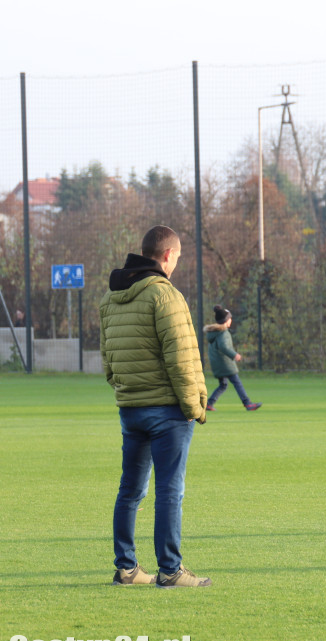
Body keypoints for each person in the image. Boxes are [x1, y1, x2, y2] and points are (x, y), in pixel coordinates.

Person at [99, 224, 212, 587]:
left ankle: (126, 568)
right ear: (167, 255)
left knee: (130, 490)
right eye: (177, 257)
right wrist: (195, 406)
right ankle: (170, 570)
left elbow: (107, 358)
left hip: (130, 407)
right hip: (167, 410)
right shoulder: (165, 295)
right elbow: (182, 358)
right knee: (169, 491)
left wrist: (125, 389)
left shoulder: (110, 298)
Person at [204, 305, 261, 412]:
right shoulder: (223, 333)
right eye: (230, 318)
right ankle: (248, 403)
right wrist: (234, 355)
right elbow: (224, 347)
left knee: (223, 385)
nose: (231, 320)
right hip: (225, 363)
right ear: (226, 320)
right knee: (237, 382)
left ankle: (209, 403)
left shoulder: (213, 333)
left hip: (217, 363)